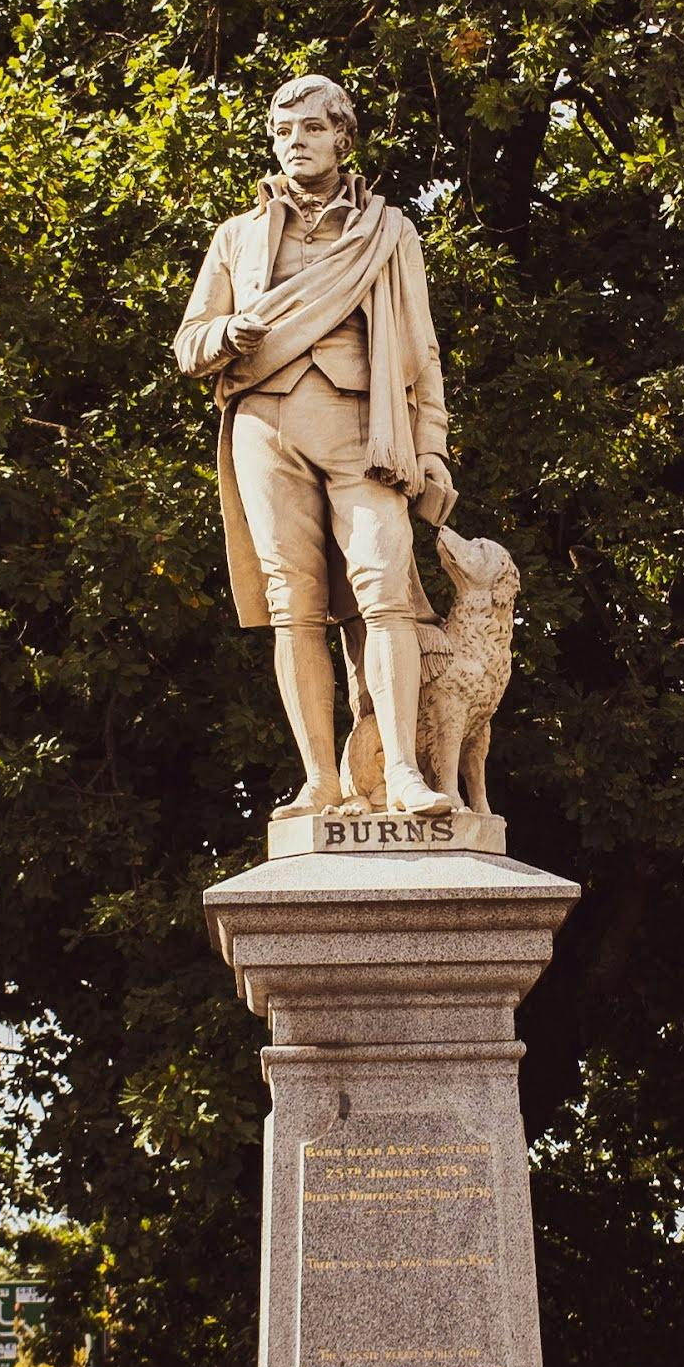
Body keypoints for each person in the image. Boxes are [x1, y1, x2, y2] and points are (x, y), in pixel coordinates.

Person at [172, 72, 458, 818]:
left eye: (310, 129)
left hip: (365, 429)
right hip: (264, 426)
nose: (294, 143)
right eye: (282, 131)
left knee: (383, 588)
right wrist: (225, 335)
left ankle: (399, 773)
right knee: (292, 603)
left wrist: (431, 448)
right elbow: (187, 344)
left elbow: (422, 349)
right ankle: (321, 782)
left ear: (341, 137)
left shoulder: (390, 232)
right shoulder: (236, 236)